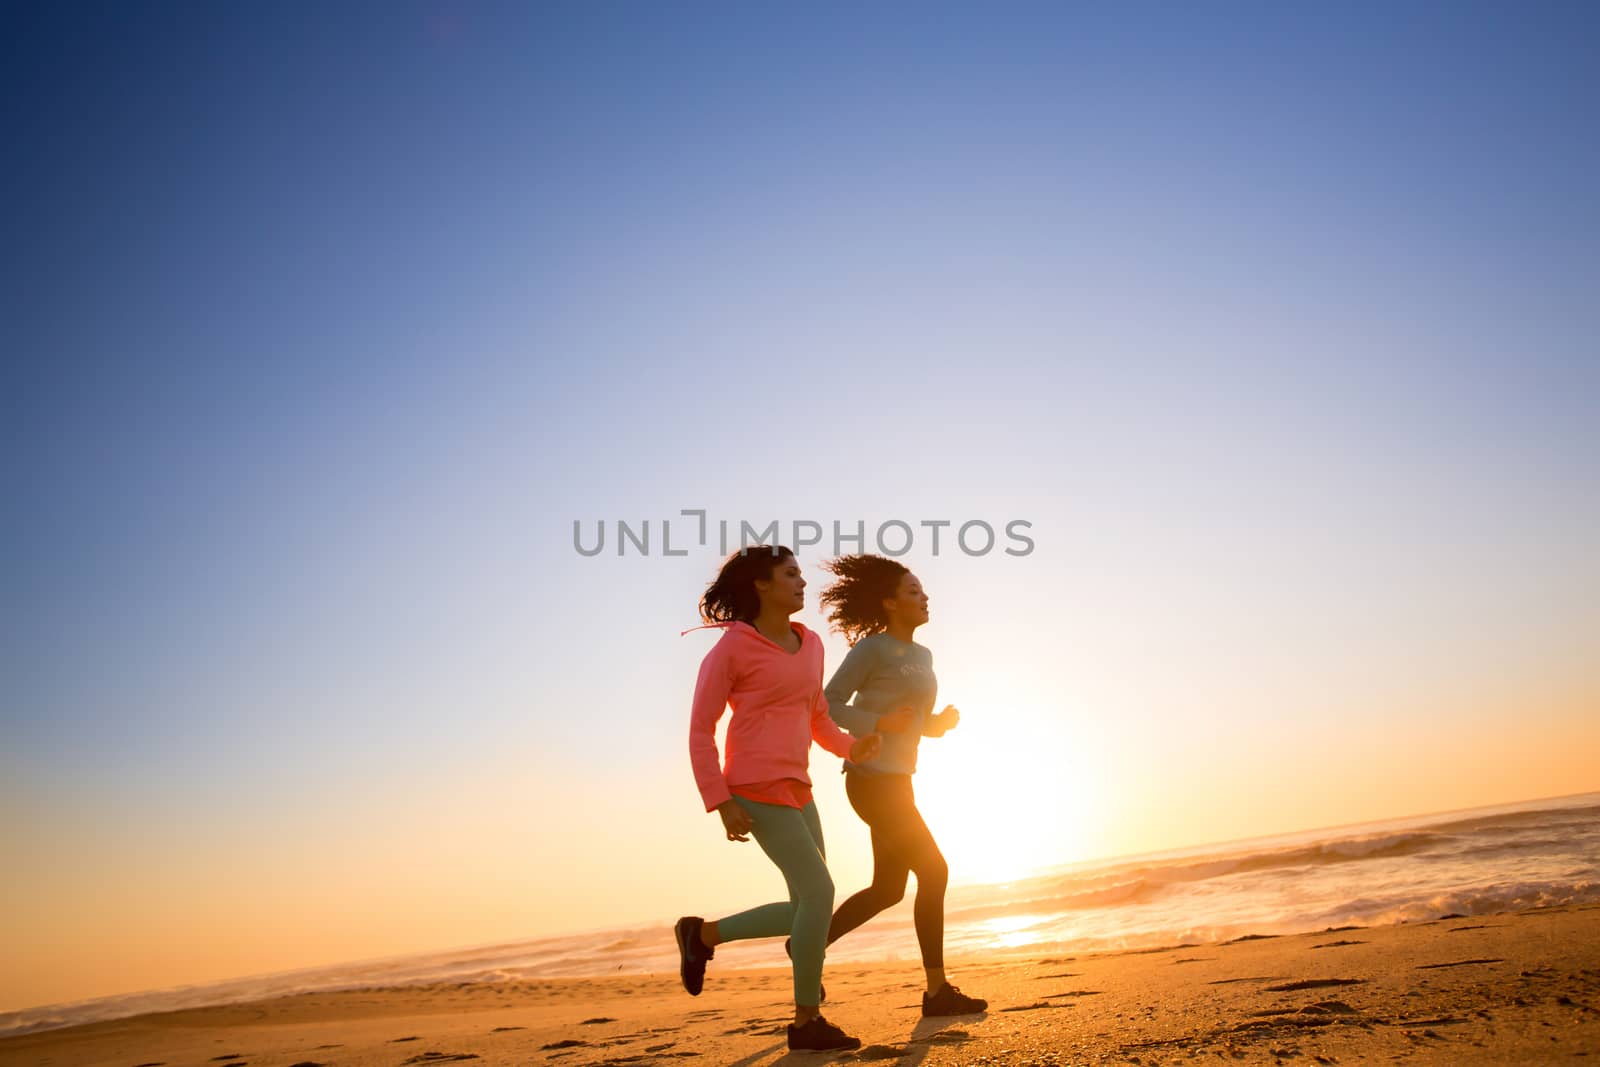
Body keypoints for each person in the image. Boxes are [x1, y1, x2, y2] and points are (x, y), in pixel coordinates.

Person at [675, 545, 882, 1052]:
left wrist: (855, 748)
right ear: (761, 585)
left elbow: (817, 719)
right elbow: (701, 731)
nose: (801, 582)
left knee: (806, 905)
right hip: (752, 787)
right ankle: (806, 1022)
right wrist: (721, 800)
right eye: (790, 574)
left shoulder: (810, 644)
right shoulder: (730, 650)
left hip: (799, 787)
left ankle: (702, 937)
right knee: (819, 894)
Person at [817, 554, 988, 1016]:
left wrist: (938, 725)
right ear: (890, 603)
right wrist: (879, 722)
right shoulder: (871, 649)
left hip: (900, 783)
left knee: (889, 889)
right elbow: (827, 705)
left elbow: (911, 724)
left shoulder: (923, 656)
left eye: (922, 590)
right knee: (935, 871)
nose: (924, 596)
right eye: (913, 591)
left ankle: (807, 947)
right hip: (870, 781)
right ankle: (936, 992)